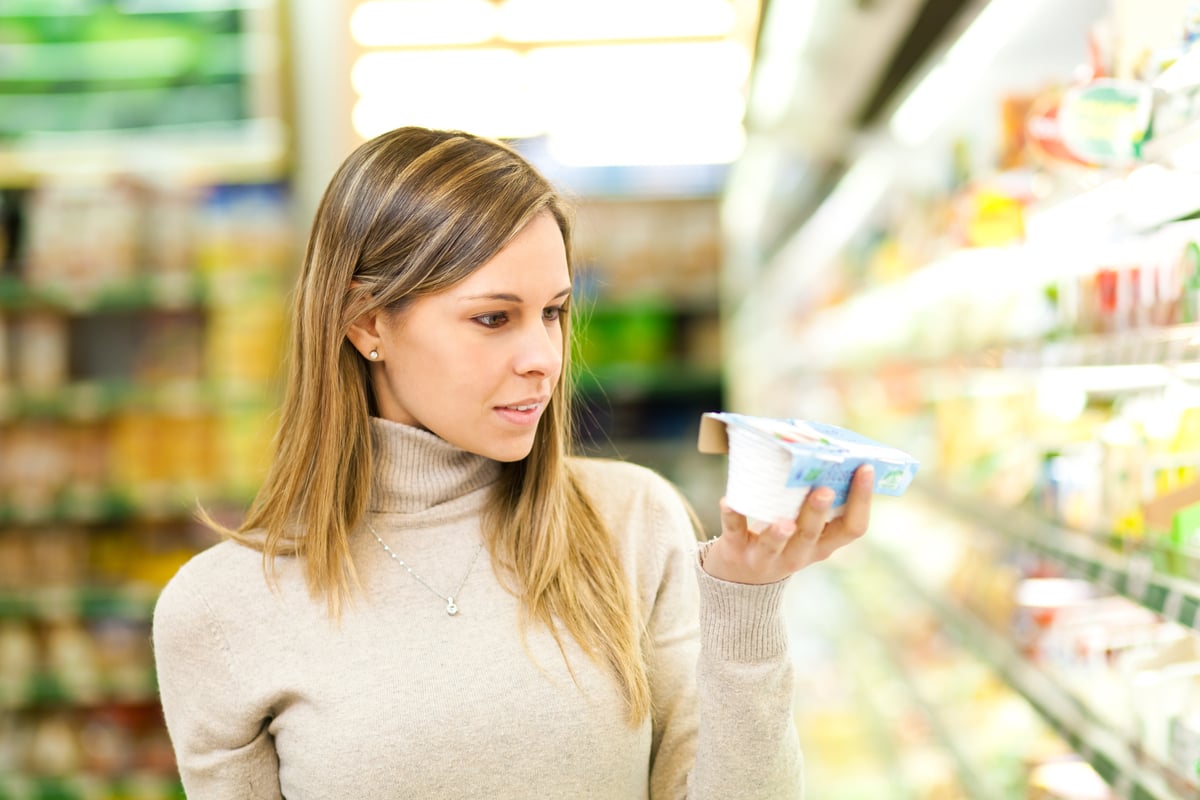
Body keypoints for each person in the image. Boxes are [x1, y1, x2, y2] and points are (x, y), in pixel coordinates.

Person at [151, 126, 875, 799]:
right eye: (493, 318)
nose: (544, 359)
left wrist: (746, 602)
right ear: (367, 321)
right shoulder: (220, 609)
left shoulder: (632, 521)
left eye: (553, 312)